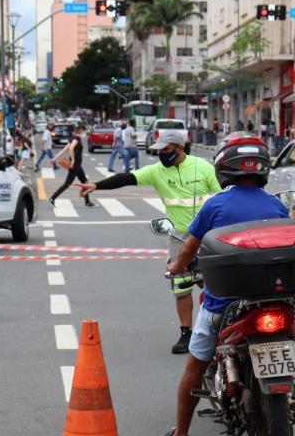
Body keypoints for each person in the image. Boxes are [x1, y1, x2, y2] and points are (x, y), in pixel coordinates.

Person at [160, 136, 289, 436]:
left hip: (223, 304)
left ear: (224, 169)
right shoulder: (277, 205)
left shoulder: (215, 205)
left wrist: (177, 266)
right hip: (274, 300)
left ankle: (180, 435)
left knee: (195, 365)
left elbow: (190, 247)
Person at [78, 129, 222, 354]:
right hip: (179, 236)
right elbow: (127, 178)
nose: (162, 154)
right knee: (181, 287)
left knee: (215, 283)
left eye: (166, 150)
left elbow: (222, 194)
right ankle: (186, 333)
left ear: (179, 147)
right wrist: (97, 185)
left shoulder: (202, 167)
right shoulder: (157, 171)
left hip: (207, 234)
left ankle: (218, 328)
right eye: (159, 150)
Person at [48, 123, 93, 207]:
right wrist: (72, 160)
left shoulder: (73, 138)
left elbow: (64, 150)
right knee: (67, 184)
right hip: (75, 165)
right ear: (81, 131)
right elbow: (71, 148)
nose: (84, 134)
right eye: (84, 132)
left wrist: (54, 159)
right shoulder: (76, 139)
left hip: (78, 165)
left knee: (85, 182)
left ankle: (87, 201)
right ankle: (52, 197)